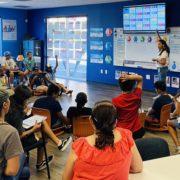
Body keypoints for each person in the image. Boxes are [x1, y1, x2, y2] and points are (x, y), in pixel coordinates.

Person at [62, 101, 143, 179]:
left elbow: (65, 178)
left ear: (91, 120)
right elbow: (137, 167)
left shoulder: (80, 145)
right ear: (116, 122)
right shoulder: (126, 136)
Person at [5, 85, 72, 171]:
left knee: (42, 122)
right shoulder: (17, 113)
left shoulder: (11, 106)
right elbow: (19, 135)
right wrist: (33, 129)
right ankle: (40, 163)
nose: (27, 101)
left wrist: (24, 113)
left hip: (10, 138)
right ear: (22, 99)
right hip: (17, 142)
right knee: (42, 135)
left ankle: (59, 143)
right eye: (26, 99)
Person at [0, 90, 30, 179]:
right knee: (22, 157)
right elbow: (11, 171)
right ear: (5, 105)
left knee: (25, 171)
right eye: (9, 99)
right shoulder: (10, 132)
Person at [112, 73, 145, 140]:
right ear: (133, 86)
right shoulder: (137, 96)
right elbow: (140, 78)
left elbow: (113, 117)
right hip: (137, 130)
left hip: (122, 131)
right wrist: (129, 77)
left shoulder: (115, 101)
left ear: (120, 85)